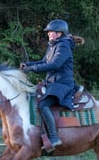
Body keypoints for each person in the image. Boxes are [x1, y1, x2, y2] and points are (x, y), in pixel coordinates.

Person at [20, 19, 78, 152]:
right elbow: (44, 61)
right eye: (49, 32)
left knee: (43, 105)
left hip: (62, 84)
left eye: (51, 32)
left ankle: (54, 137)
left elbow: (55, 64)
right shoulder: (53, 45)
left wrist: (32, 69)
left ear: (59, 33)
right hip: (53, 83)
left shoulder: (63, 46)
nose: (48, 34)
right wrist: (28, 65)